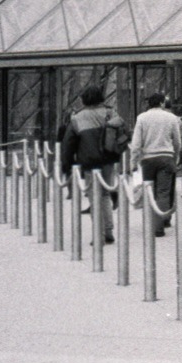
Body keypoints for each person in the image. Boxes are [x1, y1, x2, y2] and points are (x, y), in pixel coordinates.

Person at [61, 84, 127, 245]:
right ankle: (109, 230)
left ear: (84, 100)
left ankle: (99, 233)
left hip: (89, 162)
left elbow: (68, 145)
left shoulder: (77, 118)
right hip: (108, 159)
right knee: (104, 194)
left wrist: (67, 167)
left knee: (94, 197)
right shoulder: (110, 112)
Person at [129, 92, 182, 238]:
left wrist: (133, 162)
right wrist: (175, 156)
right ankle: (159, 225)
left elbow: (136, 144)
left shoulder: (141, 118)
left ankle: (149, 223)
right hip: (166, 157)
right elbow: (177, 141)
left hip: (148, 159)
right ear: (162, 103)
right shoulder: (171, 118)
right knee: (163, 193)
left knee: (149, 192)